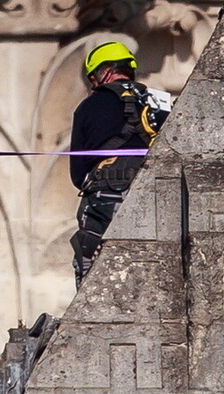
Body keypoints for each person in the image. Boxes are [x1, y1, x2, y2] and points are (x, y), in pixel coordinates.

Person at [69, 41, 170, 286]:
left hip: (107, 195)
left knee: (91, 268)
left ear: (101, 73)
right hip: (160, 192)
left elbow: (77, 174)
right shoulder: (160, 102)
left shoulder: (89, 106)